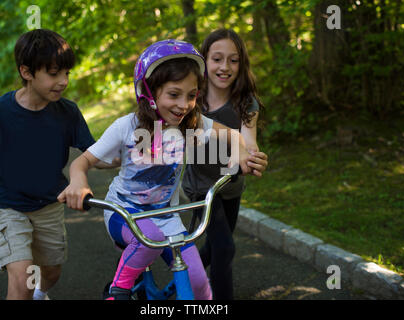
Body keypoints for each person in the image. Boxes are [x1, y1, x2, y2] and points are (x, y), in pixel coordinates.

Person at [57, 39, 262, 300]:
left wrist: (243, 153)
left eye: (191, 95)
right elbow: (81, 162)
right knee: (147, 236)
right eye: (174, 94)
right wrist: (77, 182)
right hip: (125, 213)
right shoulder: (126, 126)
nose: (184, 104)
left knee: (199, 283)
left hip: (167, 215)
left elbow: (234, 136)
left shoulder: (191, 123)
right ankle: (118, 289)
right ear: (149, 92)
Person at [0, 29, 101, 300]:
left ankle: (40, 294)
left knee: (51, 272)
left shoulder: (67, 112)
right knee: (22, 275)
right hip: (8, 206)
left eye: (67, 73)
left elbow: (94, 153)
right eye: (53, 73)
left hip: (49, 207)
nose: (63, 81)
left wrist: (122, 156)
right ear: (27, 72)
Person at [181, 28, 269, 300]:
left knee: (215, 248)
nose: (225, 67)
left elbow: (249, 139)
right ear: (204, 61)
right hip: (201, 189)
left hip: (230, 186)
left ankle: (180, 281)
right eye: (217, 59)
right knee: (226, 248)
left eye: (233, 60)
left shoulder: (246, 102)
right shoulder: (192, 100)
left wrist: (252, 157)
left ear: (241, 64)